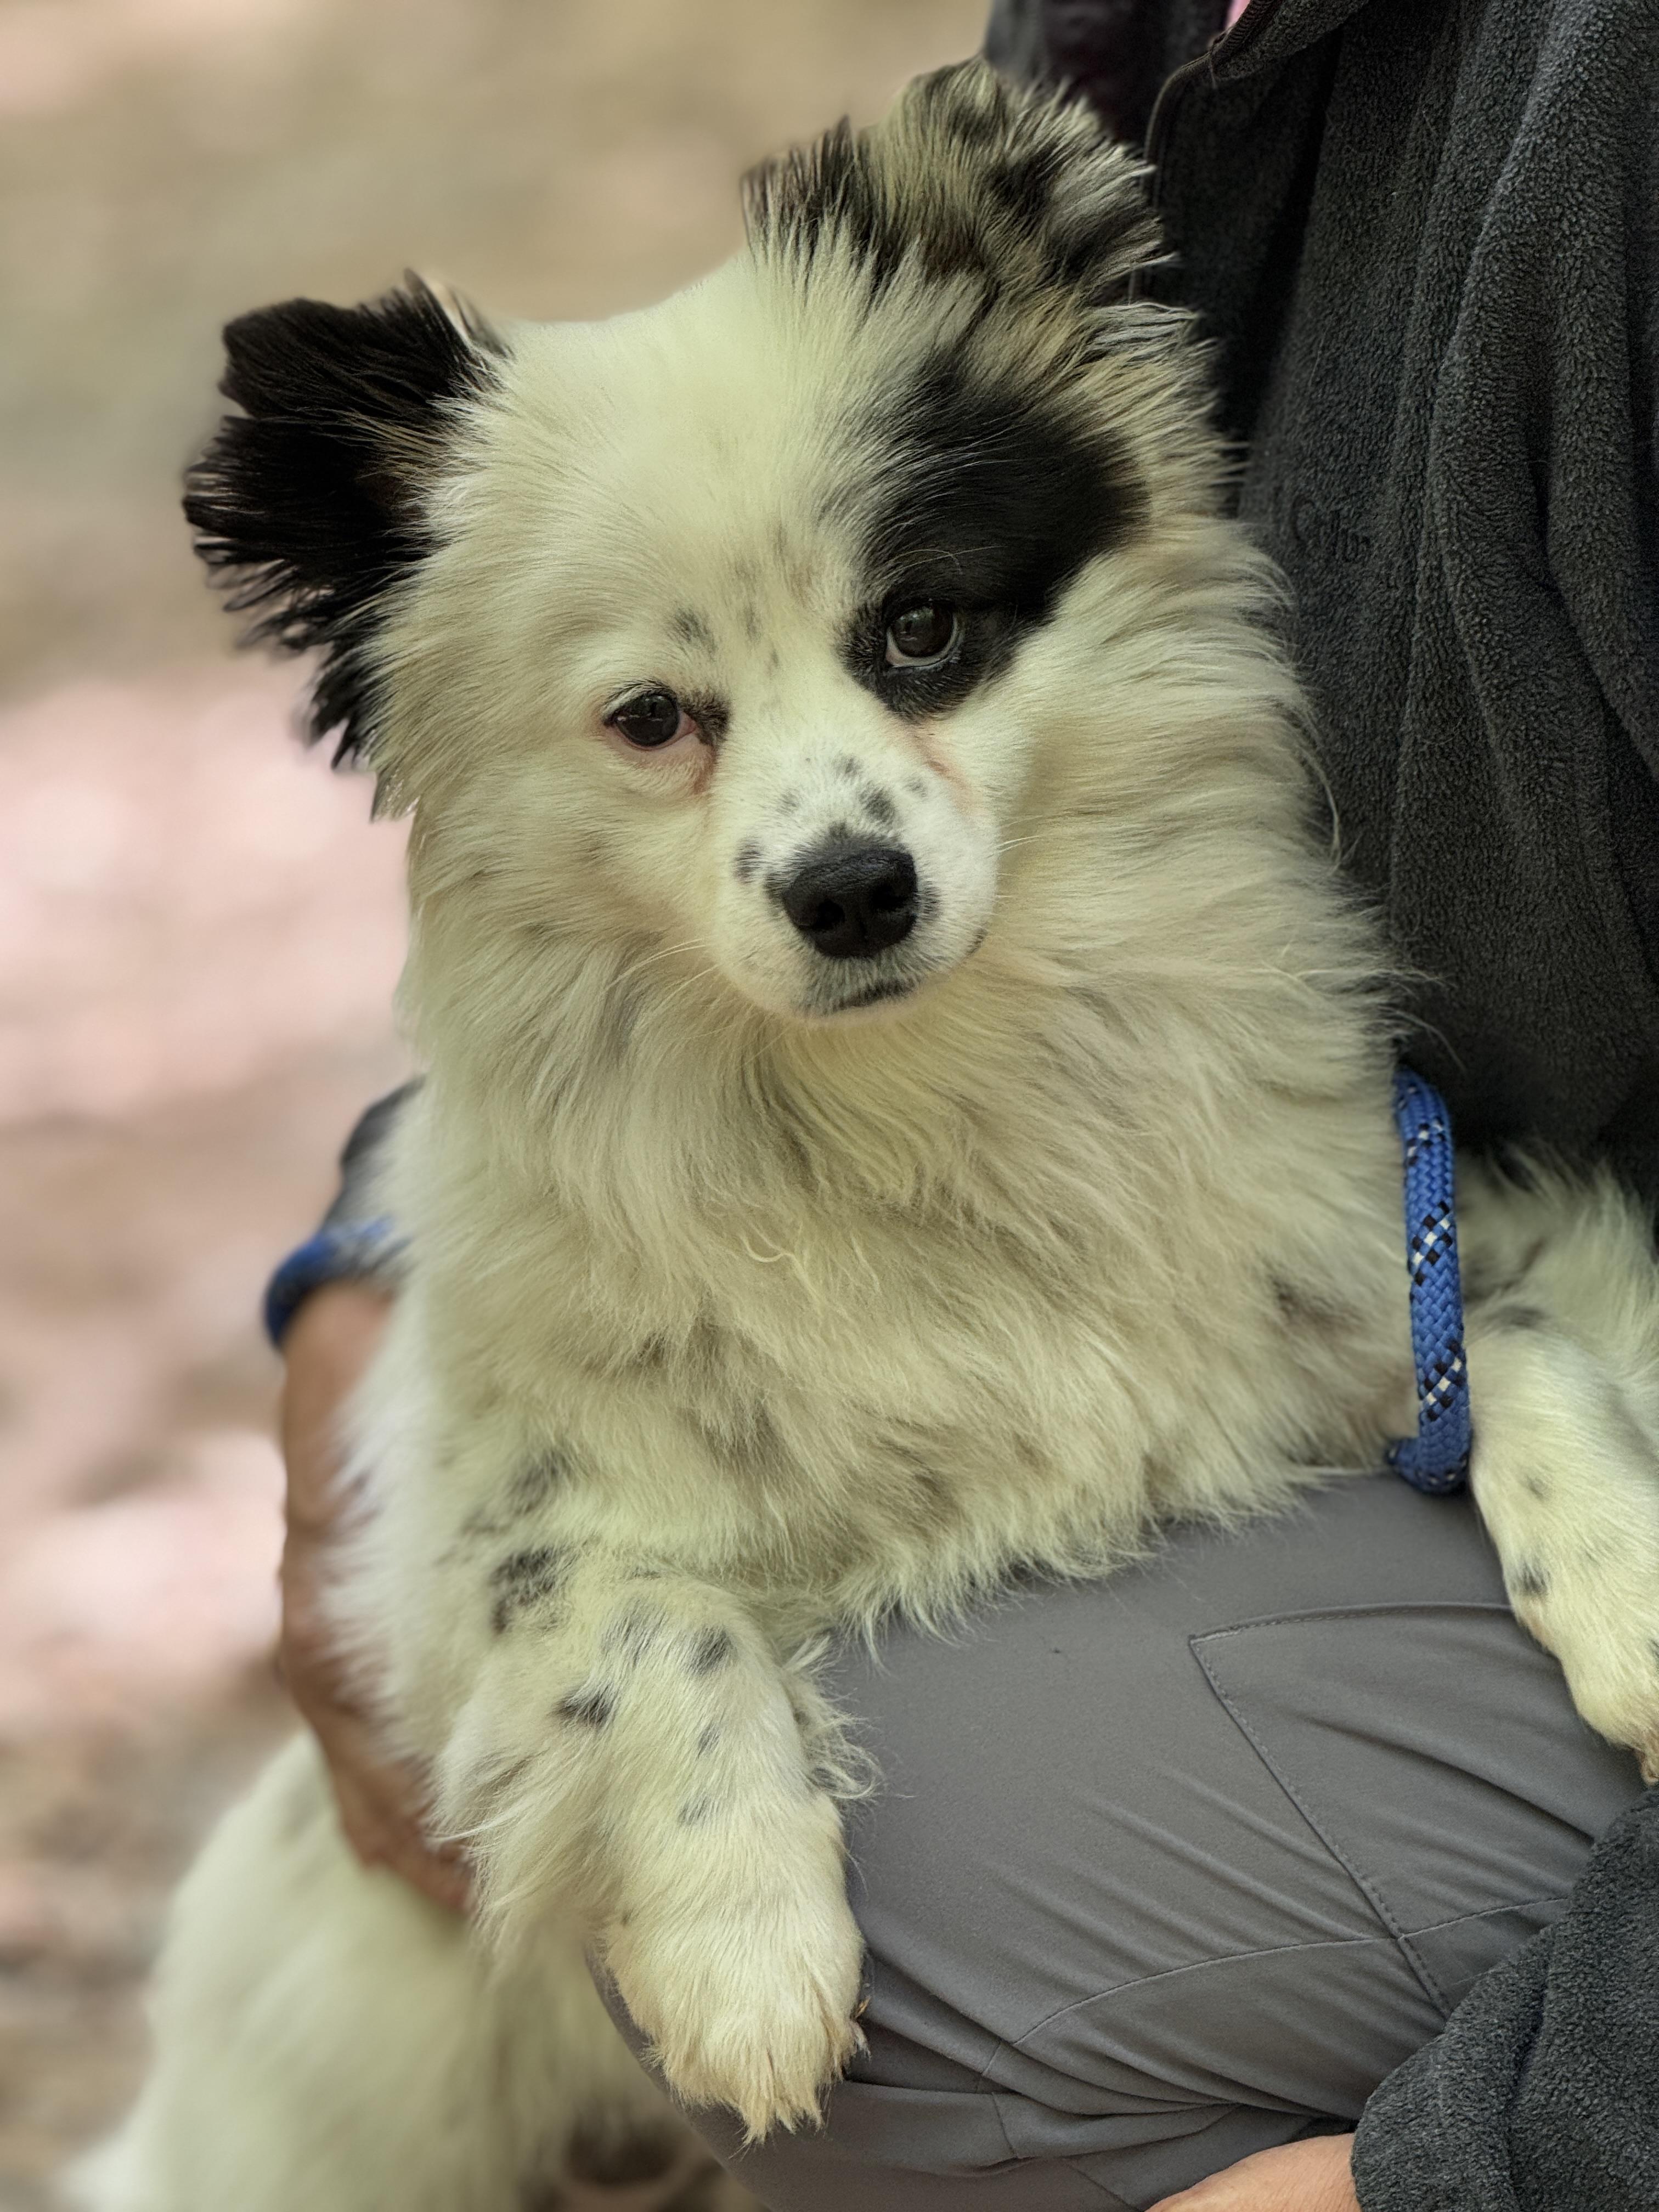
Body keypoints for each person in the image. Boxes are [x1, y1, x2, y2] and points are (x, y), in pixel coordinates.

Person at [266, 0, 1659, 2204]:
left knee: (928, 1885)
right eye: (662, 721)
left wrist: (1486, 2173)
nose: (830, 832)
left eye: (916, 635)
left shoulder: (1600, 113)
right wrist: (373, 1240)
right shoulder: (1112, 45)